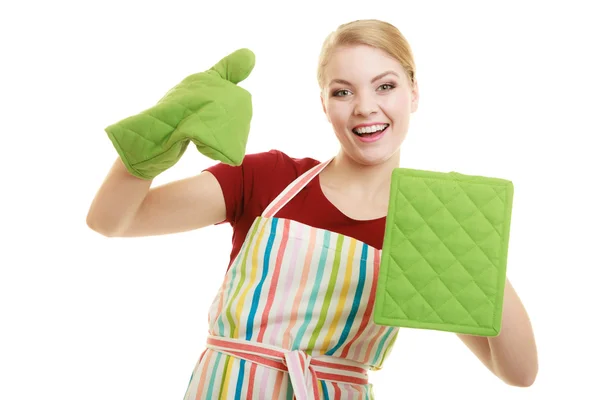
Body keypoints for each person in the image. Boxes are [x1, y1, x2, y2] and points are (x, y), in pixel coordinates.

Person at [86, 18, 538, 399]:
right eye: (343, 92)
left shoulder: (425, 225)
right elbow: (113, 220)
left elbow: (519, 372)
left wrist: (475, 243)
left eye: (385, 85)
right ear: (323, 103)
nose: (365, 108)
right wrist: (155, 142)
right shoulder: (266, 178)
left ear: (414, 93)